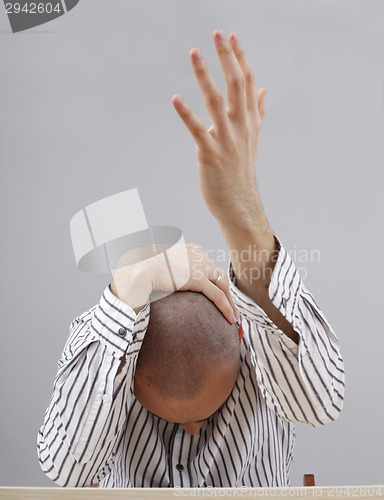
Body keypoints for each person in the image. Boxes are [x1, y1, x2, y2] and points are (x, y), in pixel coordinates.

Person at [37, 29, 345, 488]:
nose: (192, 430)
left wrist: (246, 224)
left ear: (241, 340)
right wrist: (125, 292)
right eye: (167, 413)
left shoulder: (257, 339)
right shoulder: (106, 338)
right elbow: (66, 472)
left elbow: (320, 404)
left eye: (205, 409)